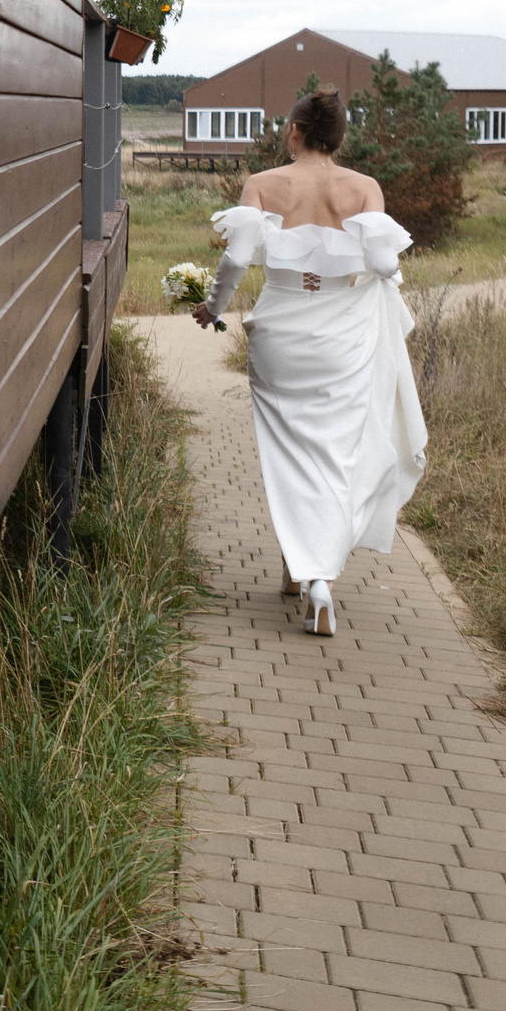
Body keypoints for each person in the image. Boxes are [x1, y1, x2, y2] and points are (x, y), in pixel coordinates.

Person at [192, 88, 428, 636]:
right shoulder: (365, 188)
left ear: (296, 131)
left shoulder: (263, 185)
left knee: (289, 452)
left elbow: (236, 258)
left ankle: (306, 572)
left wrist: (212, 307)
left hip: (282, 328)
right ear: (338, 136)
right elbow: (379, 260)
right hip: (343, 333)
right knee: (334, 453)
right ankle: (315, 579)